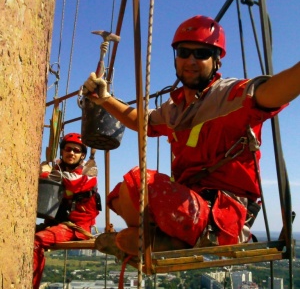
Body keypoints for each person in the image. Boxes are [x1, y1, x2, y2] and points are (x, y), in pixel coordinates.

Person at [82, 15, 299, 257]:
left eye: (202, 53)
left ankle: (185, 240)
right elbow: (141, 122)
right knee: (119, 195)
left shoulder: (230, 96)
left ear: (216, 61)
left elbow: (271, 93)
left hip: (223, 214)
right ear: (176, 58)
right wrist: (105, 100)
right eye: (184, 52)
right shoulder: (175, 109)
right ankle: (162, 239)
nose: (191, 60)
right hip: (191, 206)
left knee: (138, 182)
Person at [33, 133, 101, 288]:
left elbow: (73, 183)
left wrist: (45, 172)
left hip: (76, 227)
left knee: (37, 242)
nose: (71, 153)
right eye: (68, 149)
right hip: (57, 223)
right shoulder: (56, 167)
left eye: (76, 151)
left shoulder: (89, 171)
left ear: (82, 155)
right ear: (62, 152)